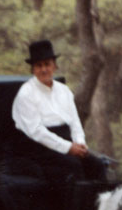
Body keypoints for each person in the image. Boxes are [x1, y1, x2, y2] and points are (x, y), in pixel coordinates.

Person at [10, 39, 106, 183]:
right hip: (39, 148)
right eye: (39, 65)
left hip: (67, 142)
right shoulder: (26, 94)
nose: (43, 70)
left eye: (47, 64)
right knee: (73, 167)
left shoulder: (64, 90)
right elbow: (36, 131)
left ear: (54, 66)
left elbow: (75, 122)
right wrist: (68, 148)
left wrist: (80, 143)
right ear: (33, 69)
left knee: (98, 165)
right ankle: (79, 206)